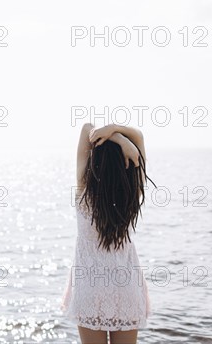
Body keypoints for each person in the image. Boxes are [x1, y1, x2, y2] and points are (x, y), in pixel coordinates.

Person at [61, 123, 154, 344]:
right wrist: (120, 134)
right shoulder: (132, 191)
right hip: (126, 288)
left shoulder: (83, 192)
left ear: (95, 162)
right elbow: (139, 135)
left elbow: (86, 129)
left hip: (89, 289)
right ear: (128, 162)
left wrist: (115, 138)